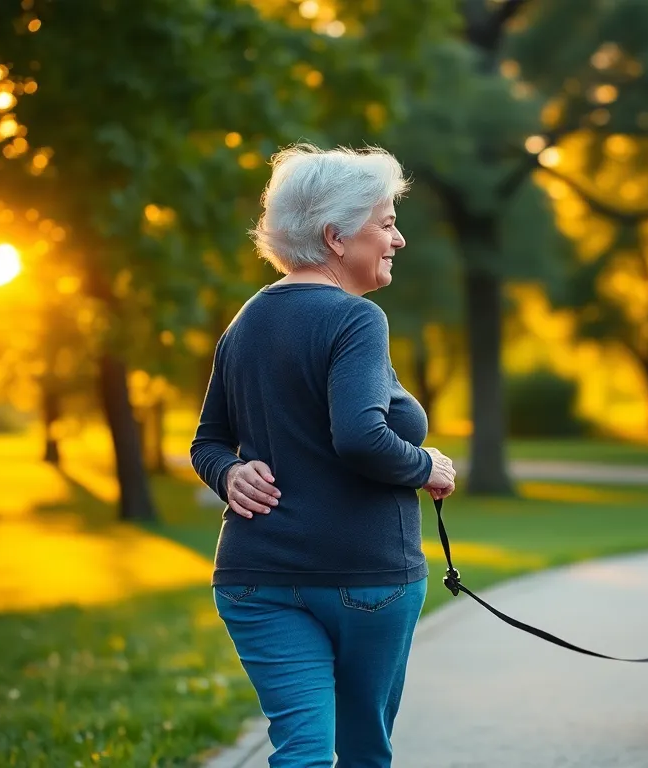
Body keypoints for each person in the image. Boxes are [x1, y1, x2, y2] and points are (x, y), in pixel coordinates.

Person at [190, 142, 457, 767]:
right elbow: (361, 437)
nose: (399, 239)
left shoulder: (247, 319)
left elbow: (206, 442)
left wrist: (227, 472)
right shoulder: (356, 319)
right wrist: (428, 466)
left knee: (302, 752)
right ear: (336, 236)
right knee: (364, 752)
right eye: (386, 223)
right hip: (364, 579)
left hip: (254, 579)